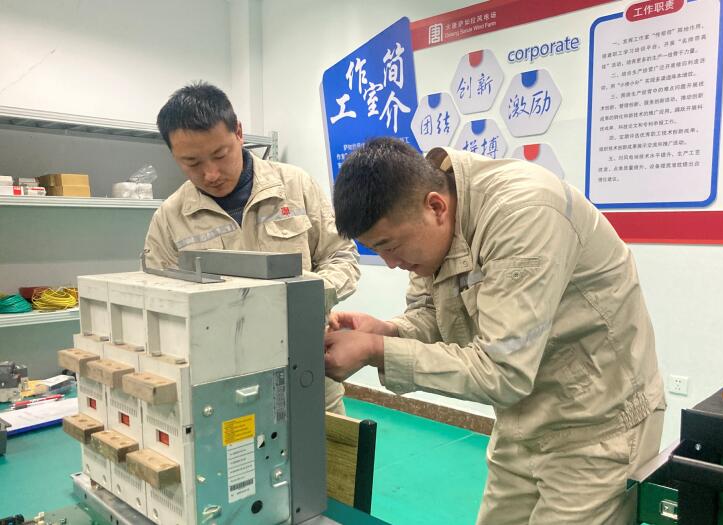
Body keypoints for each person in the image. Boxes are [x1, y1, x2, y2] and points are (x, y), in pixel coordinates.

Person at [324, 137, 665, 524]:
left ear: (436, 207)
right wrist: (387, 331)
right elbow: (432, 313)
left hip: (598, 427)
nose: (390, 263)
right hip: (522, 420)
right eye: (377, 250)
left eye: (390, 246)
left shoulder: (524, 213)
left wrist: (376, 349)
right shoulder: (431, 226)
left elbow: (504, 370)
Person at [144, 82, 360, 415]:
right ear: (174, 156)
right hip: (217, 380)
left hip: (305, 363)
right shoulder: (170, 218)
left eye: (220, 155)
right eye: (192, 162)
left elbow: (341, 255)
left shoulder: (295, 186)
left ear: (239, 133)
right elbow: (155, 301)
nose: (211, 173)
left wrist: (308, 296)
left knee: (320, 444)